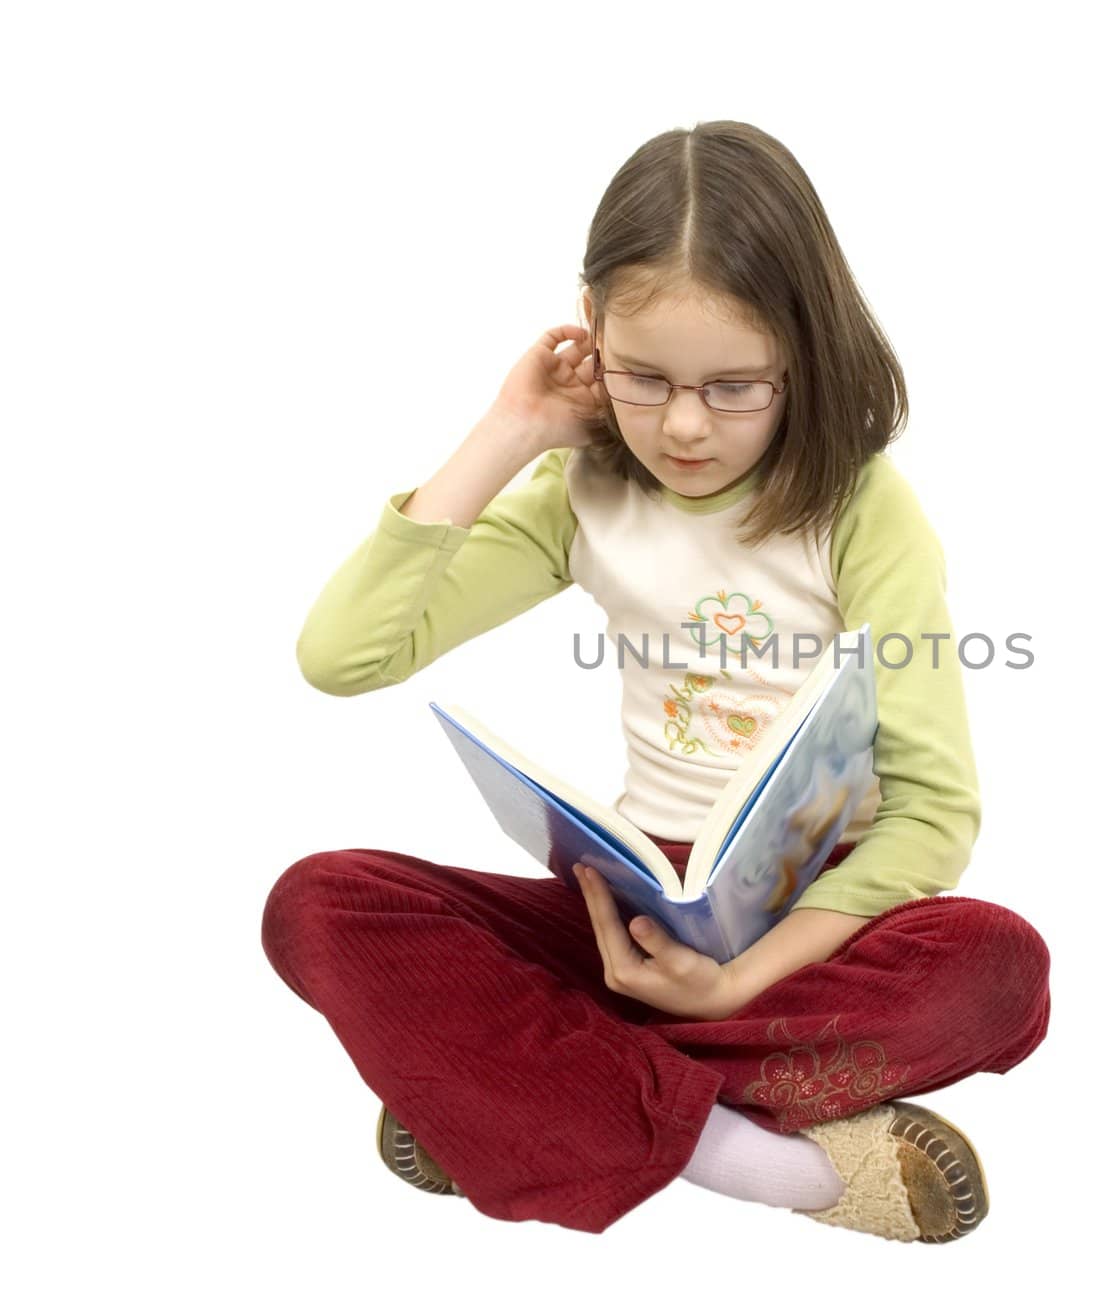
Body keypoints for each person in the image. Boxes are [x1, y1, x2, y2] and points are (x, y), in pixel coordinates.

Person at [262, 120, 1051, 1244]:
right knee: (319, 906)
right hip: (624, 920)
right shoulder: (577, 490)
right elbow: (344, 656)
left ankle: (515, 1090)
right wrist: (509, 430)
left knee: (996, 969)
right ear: (591, 332)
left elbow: (932, 813)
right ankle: (772, 1167)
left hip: (809, 930)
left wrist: (736, 985)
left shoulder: (864, 511)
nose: (683, 425)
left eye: (735, 387)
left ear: (802, 354)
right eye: (644, 378)